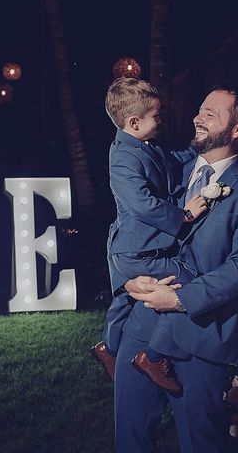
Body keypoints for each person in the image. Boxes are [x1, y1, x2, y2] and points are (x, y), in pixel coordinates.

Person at [119, 85, 238, 453]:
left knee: (200, 442)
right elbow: (129, 224)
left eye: (211, 114)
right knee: (130, 437)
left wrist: (178, 299)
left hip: (200, 332)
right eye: (200, 109)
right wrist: (127, 279)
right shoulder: (168, 168)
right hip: (140, 324)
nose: (198, 117)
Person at [90, 77, 207, 394]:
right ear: (133, 121)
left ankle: (109, 348)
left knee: (125, 301)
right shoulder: (122, 157)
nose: (161, 120)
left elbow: (173, 159)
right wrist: (183, 215)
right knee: (191, 281)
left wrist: (200, 149)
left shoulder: (145, 144)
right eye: (157, 115)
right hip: (137, 251)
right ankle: (153, 357)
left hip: (136, 249)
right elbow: (143, 204)